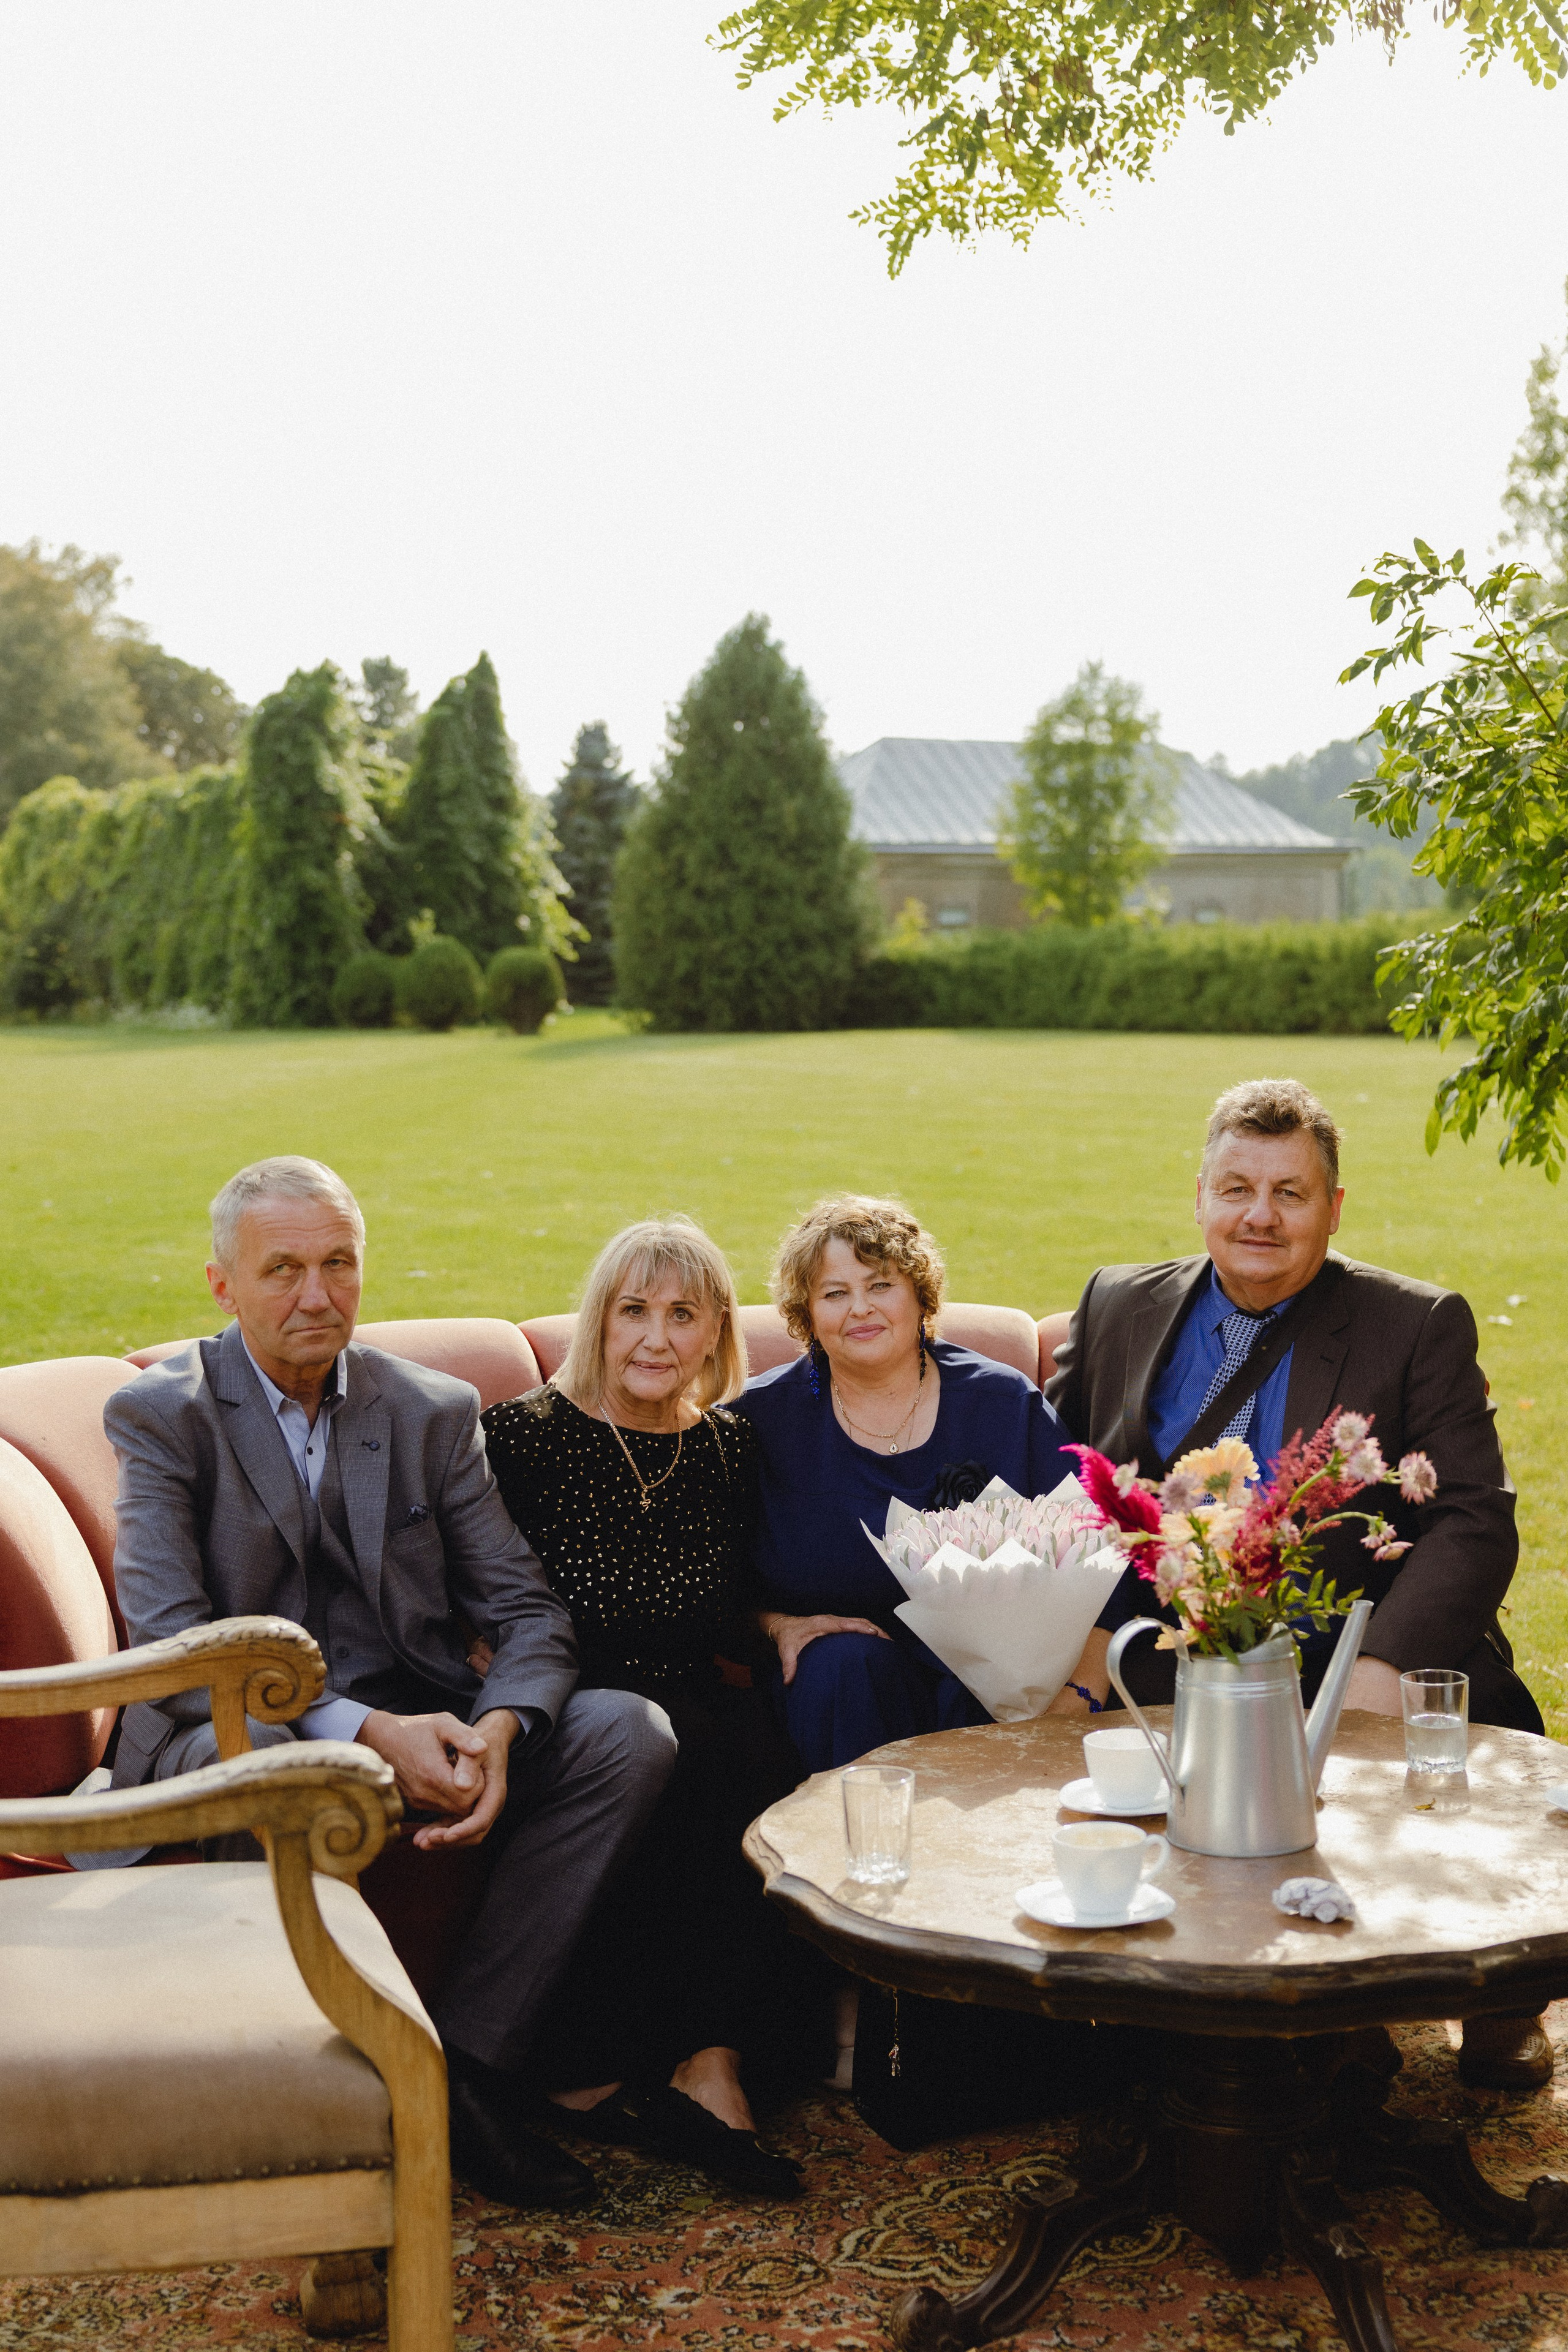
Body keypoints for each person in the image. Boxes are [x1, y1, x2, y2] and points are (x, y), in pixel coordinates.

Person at [105, 1155, 677, 2211]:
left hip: (429, 1713)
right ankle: (310, 2111)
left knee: (626, 1732)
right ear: (221, 1284)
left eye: (339, 1263)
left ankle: (462, 2075)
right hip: (230, 1732)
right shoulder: (162, 1418)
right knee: (284, 1769)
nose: (317, 1295)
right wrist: (367, 1731)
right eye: (282, 1270)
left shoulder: (428, 1410)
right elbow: (177, 1649)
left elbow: (529, 1611)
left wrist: (500, 1726)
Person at [1047, 1075, 1547, 2090]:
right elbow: (1063, 1482)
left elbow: (1472, 1519)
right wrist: (1080, 1643)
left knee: (1476, 1710)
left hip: (1345, 1638)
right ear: (1199, 1195)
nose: (1259, 1216)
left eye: (1289, 1193)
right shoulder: (1118, 1305)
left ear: (1333, 1207)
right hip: (1171, 1643)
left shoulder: (1416, 1324)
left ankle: (1496, 2001)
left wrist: (1384, 1669)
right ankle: (1265, 2020)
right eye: (1237, 1188)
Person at [481, 1218, 814, 2198]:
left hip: (693, 1689)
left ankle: (706, 2060)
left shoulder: (725, 1451)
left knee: (756, 1747)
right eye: (634, 1312)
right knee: (689, 1747)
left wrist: (784, 1625)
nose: (657, 1339)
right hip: (570, 1700)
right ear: (600, 1319)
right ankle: (675, 2068)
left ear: (716, 1333)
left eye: (683, 1315)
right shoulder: (524, 1437)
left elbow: (740, 1594)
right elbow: (479, 1586)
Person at [736, 1193, 1116, 1774]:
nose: (861, 1309)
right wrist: (778, 1624)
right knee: (841, 1665)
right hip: (838, 1692)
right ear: (806, 1314)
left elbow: (1104, 1563)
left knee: (983, 1685)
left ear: (920, 1294)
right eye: (835, 1294)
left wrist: (1081, 1697)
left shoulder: (1002, 1403)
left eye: (881, 1285)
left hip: (994, 1685)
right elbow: (709, 1581)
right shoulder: (759, 1420)